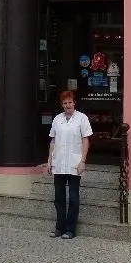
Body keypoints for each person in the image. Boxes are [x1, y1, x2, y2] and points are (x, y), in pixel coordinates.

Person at [47, 89, 92, 239]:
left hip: (74, 163)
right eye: (65, 103)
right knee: (59, 197)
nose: (68, 105)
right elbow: (53, 140)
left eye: (70, 102)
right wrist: (49, 160)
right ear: (62, 105)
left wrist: (83, 161)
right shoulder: (57, 119)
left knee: (73, 198)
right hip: (59, 163)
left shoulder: (82, 118)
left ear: (74, 103)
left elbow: (86, 139)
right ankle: (59, 227)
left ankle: (70, 229)